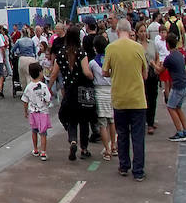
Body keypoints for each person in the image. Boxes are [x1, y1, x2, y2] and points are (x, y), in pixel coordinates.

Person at [105, 19, 149, 180]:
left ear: (117, 32)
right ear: (131, 32)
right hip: (137, 98)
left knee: (122, 134)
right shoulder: (138, 48)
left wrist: (115, 72)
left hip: (119, 98)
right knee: (138, 136)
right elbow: (145, 74)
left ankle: (124, 166)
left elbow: (104, 72)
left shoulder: (111, 48)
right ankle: (138, 171)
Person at [55, 24, 96, 161]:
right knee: (84, 120)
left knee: (71, 119)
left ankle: (73, 140)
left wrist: (49, 86)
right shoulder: (81, 52)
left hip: (69, 90)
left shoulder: (61, 52)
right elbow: (86, 71)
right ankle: (84, 148)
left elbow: (55, 72)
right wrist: (92, 76)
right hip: (82, 89)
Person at [162, 32, 186, 142]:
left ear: (167, 45)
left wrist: (152, 64)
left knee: (171, 107)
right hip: (185, 85)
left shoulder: (169, 58)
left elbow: (160, 70)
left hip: (178, 86)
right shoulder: (180, 54)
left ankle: (179, 132)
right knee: (178, 107)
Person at [21, 63, 53, 160]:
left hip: (33, 112)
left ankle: (35, 149)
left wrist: (25, 111)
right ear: (40, 73)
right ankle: (43, 152)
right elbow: (48, 99)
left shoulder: (28, 87)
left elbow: (25, 100)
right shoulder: (43, 86)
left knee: (34, 131)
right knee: (43, 133)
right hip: (43, 112)